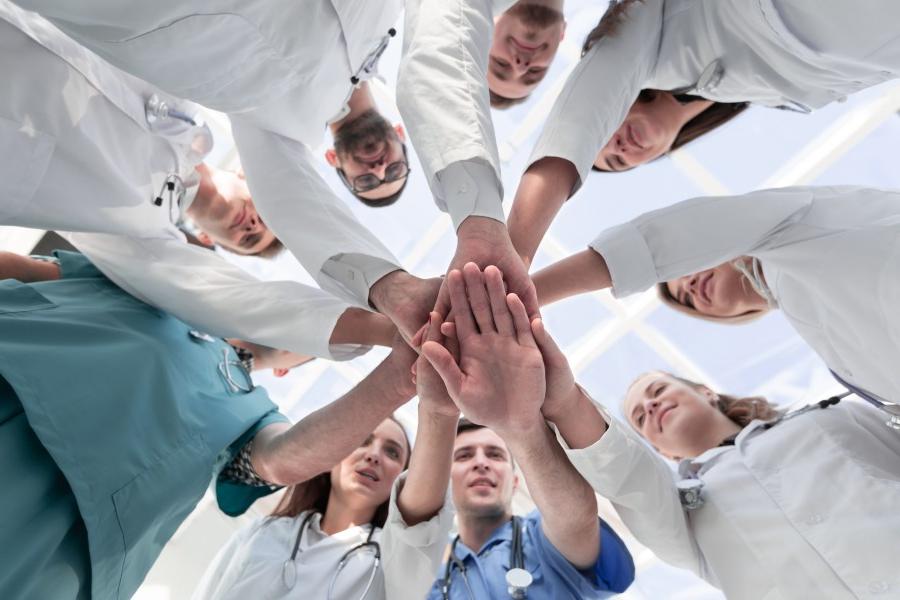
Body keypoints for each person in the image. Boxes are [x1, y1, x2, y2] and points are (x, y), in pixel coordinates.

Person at [13, 0, 565, 342]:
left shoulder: (273, 128)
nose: (377, 167)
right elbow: (442, 52)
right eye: (393, 169)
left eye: (366, 182)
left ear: (336, 168)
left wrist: (388, 289)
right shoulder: (392, 17)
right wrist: (479, 218)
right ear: (403, 137)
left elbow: (288, 201)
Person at [0, 250, 420, 600]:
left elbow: (282, 460)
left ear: (293, 367)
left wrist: (398, 377)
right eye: (302, 306)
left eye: (320, 331)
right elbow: (26, 270)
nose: (305, 322)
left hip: (58, 530)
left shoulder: (254, 415)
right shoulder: (158, 288)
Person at [0, 3, 391, 359]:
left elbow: (223, 299)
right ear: (249, 178)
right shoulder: (194, 109)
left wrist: (379, 324)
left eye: (250, 239)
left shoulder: (138, 233)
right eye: (266, 217)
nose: (254, 225)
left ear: (208, 241)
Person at [507, 0, 900, 264]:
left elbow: (584, 110)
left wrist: (515, 251)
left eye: (602, 138)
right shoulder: (765, 99)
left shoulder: (650, 37)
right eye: (617, 161)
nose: (616, 145)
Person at [543, 364, 900, 599]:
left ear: (705, 391)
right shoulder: (681, 517)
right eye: (640, 416)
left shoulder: (833, 416)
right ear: (661, 451)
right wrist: (563, 398)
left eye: (657, 391)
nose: (651, 406)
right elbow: (629, 476)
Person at [530, 184, 900, 408]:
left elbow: (670, 240)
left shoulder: (789, 229)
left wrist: (525, 296)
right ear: (724, 317)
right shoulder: (823, 345)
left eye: (684, 272)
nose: (689, 287)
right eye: (687, 301)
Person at [192, 310, 463, 600]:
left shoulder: (392, 557)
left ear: (402, 478)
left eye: (392, 452)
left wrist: (439, 405)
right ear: (333, 456)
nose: (373, 456)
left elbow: (420, 524)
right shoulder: (264, 532)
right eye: (363, 441)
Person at [419, 264, 635, 598]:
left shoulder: (540, 537)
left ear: (516, 480)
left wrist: (520, 427)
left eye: (494, 454)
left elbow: (576, 521)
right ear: (445, 483)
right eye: (464, 455)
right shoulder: (428, 573)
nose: (481, 463)